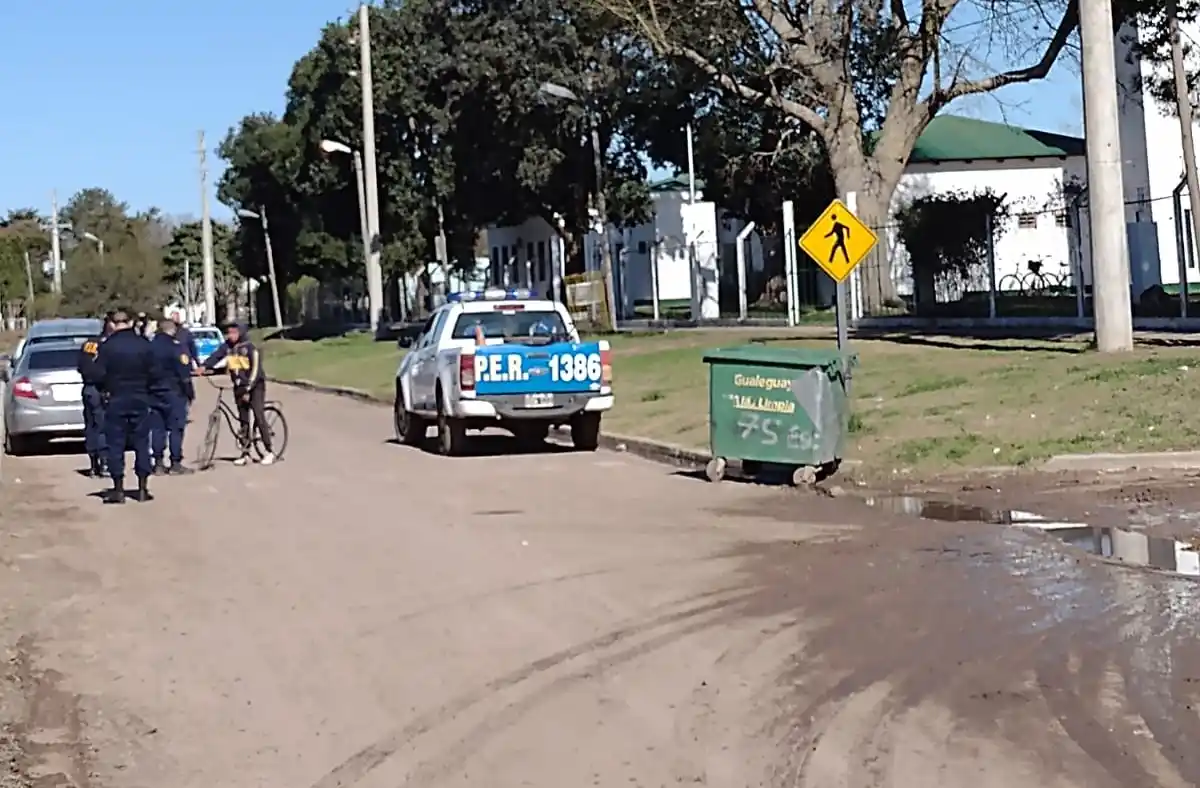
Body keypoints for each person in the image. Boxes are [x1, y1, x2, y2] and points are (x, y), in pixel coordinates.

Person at [91, 309, 156, 504]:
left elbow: (97, 375)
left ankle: (118, 489)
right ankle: (142, 488)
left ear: (112, 324)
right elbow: (155, 372)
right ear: (130, 322)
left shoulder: (107, 347)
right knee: (142, 442)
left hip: (116, 398)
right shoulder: (144, 344)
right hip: (140, 398)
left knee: (116, 444)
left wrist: (105, 388)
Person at [196, 321, 275, 466]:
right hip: (239, 386)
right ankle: (245, 452)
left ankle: (269, 451)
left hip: (255, 386)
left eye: (234, 333)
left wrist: (248, 389)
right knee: (243, 420)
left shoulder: (250, 348)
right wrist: (204, 366)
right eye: (229, 333)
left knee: (258, 414)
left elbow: (256, 371)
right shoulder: (228, 347)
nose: (230, 336)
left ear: (241, 333)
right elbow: (216, 356)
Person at [147, 317, 195, 476]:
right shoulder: (176, 348)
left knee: (157, 428)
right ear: (172, 330)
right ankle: (175, 462)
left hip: (153, 393)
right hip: (174, 392)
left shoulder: (149, 348)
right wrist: (190, 393)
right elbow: (184, 373)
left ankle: (158, 463)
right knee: (176, 428)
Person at [76, 312, 114, 478]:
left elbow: (80, 366)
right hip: (103, 389)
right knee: (103, 427)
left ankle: (93, 464)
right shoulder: (108, 344)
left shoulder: (89, 344)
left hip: (88, 388)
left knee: (91, 427)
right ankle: (104, 463)